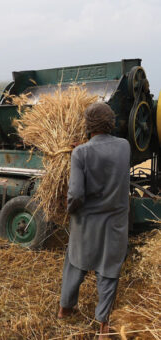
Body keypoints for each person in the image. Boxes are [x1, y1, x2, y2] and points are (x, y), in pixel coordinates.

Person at [58, 103, 130, 339]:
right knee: (109, 272)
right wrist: (86, 148)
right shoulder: (124, 147)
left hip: (86, 222)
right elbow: (107, 152)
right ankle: (104, 326)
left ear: (87, 126)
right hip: (115, 224)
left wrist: (68, 209)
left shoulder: (81, 153)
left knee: (75, 263)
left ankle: (65, 309)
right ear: (111, 122)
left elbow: (76, 194)